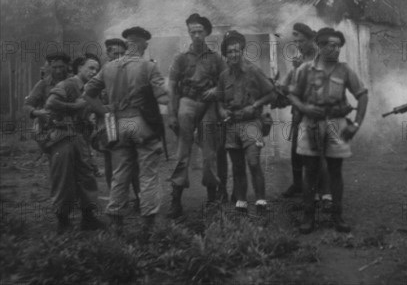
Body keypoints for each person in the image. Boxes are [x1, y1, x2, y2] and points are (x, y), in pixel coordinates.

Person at [84, 26, 168, 232]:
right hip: (140, 123)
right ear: (142, 44)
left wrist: (104, 112)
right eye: (146, 45)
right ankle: (147, 225)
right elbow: (163, 97)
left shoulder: (110, 67)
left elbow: (87, 93)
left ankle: (116, 222)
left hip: (117, 124)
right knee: (148, 173)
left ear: (128, 43)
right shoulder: (148, 67)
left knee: (120, 173)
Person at [288, 27, 368, 234]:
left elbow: (362, 95)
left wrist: (357, 124)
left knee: (335, 172)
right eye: (331, 45)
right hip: (311, 123)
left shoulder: (345, 70)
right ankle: (308, 217)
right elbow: (292, 95)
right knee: (310, 172)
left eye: (338, 46)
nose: (336, 49)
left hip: (336, 124)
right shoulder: (305, 70)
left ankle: (337, 216)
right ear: (320, 46)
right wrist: (304, 108)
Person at [166, 13, 228, 218]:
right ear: (189, 33)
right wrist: (172, 114)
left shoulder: (216, 58)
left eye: (200, 31)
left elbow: (226, 82)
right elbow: (173, 86)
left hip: (208, 104)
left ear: (206, 33)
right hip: (187, 102)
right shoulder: (181, 58)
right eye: (193, 32)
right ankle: (175, 199)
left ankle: (212, 198)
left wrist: (217, 91)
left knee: (209, 153)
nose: (196, 35)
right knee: (183, 152)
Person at [216, 31, 276, 215]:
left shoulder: (253, 71)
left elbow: (272, 93)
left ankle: (260, 202)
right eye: (230, 52)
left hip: (251, 123)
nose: (234, 55)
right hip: (232, 124)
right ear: (225, 55)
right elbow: (218, 99)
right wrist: (222, 111)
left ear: (242, 51)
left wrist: (256, 105)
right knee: (237, 165)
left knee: (253, 161)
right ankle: (241, 202)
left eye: (236, 51)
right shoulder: (224, 76)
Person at [44, 54, 105, 233]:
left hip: (80, 137)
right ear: (79, 68)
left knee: (86, 177)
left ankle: (89, 219)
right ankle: (63, 221)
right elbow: (51, 103)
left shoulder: (90, 89)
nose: (94, 72)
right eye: (90, 68)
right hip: (63, 135)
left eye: (96, 69)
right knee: (64, 179)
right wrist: (75, 107)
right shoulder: (68, 84)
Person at [280, 23, 333, 211]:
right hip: (299, 111)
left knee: (318, 155)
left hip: (317, 111)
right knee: (296, 150)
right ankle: (298, 185)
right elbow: (291, 82)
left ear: (311, 40)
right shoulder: (300, 58)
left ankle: (326, 195)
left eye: (301, 41)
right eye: (296, 41)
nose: (299, 45)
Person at [96, 38, 141, 212]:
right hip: (108, 120)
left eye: (123, 54)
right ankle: (116, 197)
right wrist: (104, 110)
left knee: (134, 158)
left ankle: (139, 197)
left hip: (129, 119)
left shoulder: (130, 71)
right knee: (110, 158)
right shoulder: (104, 72)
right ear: (108, 54)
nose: (120, 57)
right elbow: (91, 96)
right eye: (116, 54)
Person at [24, 52, 71, 151]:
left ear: (67, 66)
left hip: (73, 128)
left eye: (61, 67)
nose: (58, 71)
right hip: (49, 130)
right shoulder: (43, 84)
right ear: (49, 67)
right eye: (54, 67)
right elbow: (27, 105)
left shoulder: (74, 81)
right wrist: (38, 112)